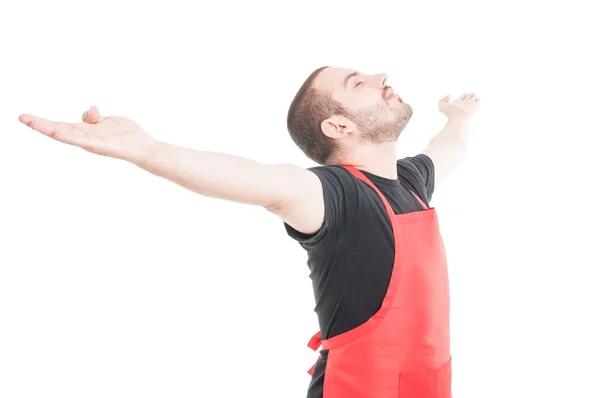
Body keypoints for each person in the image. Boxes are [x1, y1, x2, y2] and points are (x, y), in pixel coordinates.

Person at [18, 66, 480, 398]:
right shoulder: (336, 196)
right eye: (357, 82)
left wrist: (456, 117)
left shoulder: (412, 183)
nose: (380, 75)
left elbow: (448, 148)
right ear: (338, 125)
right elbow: (261, 181)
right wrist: (149, 151)